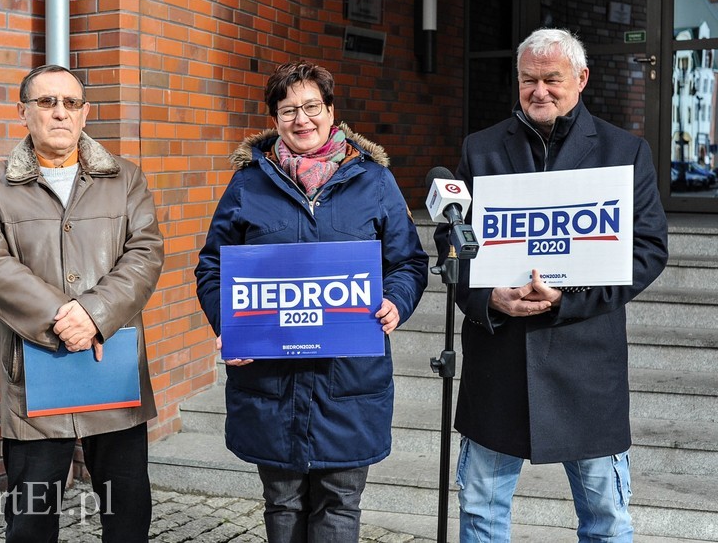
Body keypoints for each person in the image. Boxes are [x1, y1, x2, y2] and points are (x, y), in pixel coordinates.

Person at [434, 28, 669, 542]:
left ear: (581, 79)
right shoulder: (481, 149)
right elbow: (451, 241)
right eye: (528, 80)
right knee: (481, 515)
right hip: (498, 362)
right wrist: (487, 297)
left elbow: (648, 249)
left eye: (552, 79)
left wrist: (570, 300)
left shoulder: (624, 151)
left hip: (586, 365)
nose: (539, 91)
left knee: (606, 520)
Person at [194, 59, 428, 542]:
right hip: (271, 384)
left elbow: (408, 262)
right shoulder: (248, 183)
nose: (301, 119)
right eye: (288, 110)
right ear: (274, 119)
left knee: (339, 502)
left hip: (349, 383)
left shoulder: (374, 181)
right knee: (282, 504)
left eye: (311, 107)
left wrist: (396, 301)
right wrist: (228, 324)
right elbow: (213, 267)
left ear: (331, 111)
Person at [0, 64, 164, 542]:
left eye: (71, 103)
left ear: (85, 112)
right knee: (31, 518)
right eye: (47, 102)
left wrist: (94, 313)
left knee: (127, 512)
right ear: (23, 112)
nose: (60, 112)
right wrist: (63, 317)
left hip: (110, 364)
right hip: (36, 370)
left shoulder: (125, 179)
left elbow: (145, 252)